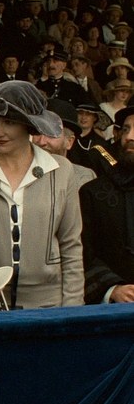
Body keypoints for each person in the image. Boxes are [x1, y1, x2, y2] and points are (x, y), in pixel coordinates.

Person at [0, 80, 84, 309]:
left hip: (49, 305)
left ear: (28, 125)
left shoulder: (61, 170)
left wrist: (73, 308)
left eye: (9, 122)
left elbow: (71, 246)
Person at [80, 105, 134, 304]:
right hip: (111, 311)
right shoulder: (93, 193)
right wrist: (112, 289)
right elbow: (82, 251)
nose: (129, 137)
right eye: (126, 129)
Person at [38, 99, 97, 187]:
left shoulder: (83, 178)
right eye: (36, 132)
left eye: (51, 134)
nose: (41, 141)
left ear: (69, 142)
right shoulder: (18, 174)